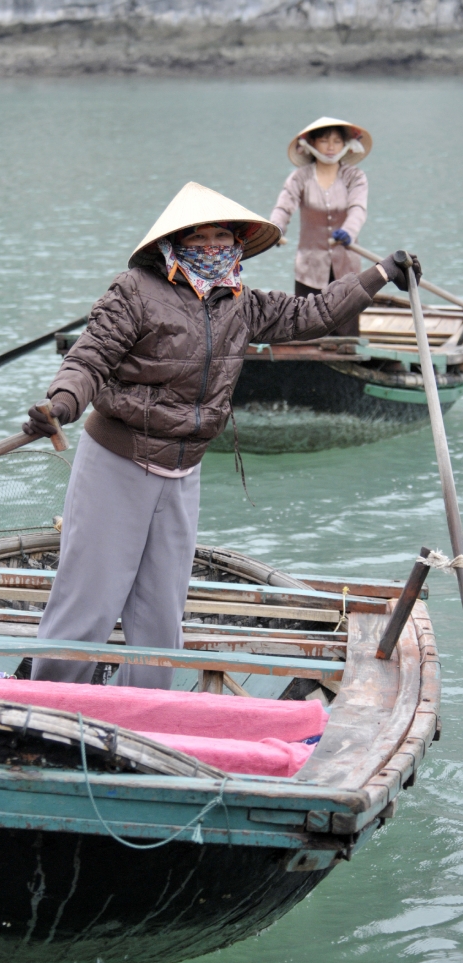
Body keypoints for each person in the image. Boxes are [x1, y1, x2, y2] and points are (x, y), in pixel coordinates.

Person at [23, 181, 419, 688]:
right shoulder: (135, 292)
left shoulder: (240, 302)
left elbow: (314, 314)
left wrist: (380, 274)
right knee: (90, 601)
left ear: (236, 244)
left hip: (183, 472)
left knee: (162, 614)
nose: (212, 249)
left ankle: (144, 714)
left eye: (221, 238)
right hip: (118, 463)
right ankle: (49, 704)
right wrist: (60, 404)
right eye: (199, 240)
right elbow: (88, 358)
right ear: (174, 244)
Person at [269, 116, 372, 338]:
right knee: (308, 326)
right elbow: (284, 207)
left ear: (345, 144)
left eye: (336, 141)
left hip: (346, 263)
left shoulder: (354, 176)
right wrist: (276, 229)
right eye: (324, 141)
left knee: (346, 333)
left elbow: (358, 209)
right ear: (312, 144)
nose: (331, 147)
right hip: (310, 266)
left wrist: (349, 232)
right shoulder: (300, 177)